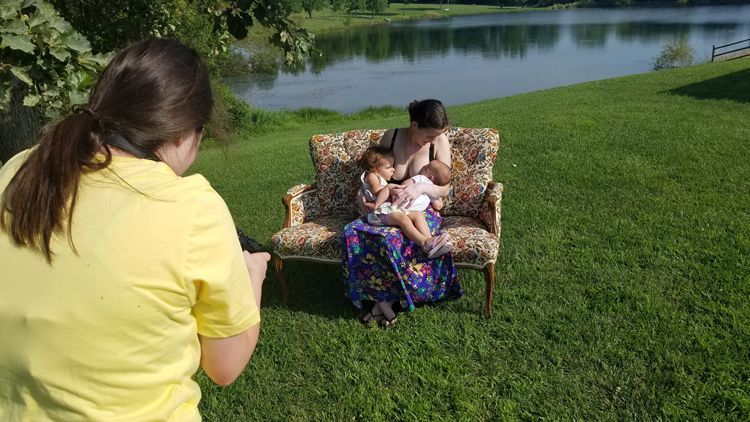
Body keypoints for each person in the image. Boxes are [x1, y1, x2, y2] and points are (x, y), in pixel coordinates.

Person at [0, 39, 269, 420]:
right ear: (184, 134)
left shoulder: (18, 170)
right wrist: (252, 277)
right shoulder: (192, 208)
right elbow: (224, 366)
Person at [343, 99, 462, 328]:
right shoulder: (393, 136)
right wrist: (364, 195)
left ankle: (383, 303)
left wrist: (421, 186)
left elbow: (445, 186)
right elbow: (375, 172)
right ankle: (379, 299)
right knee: (354, 232)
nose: (432, 140)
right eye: (428, 136)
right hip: (389, 207)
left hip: (419, 210)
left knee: (395, 237)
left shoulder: (439, 142)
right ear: (414, 125)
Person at [358, 146, 452, 259]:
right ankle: (424, 242)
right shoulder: (372, 176)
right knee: (402, 219)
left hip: (390, 209)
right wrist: (391, 188)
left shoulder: (380, 177)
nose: (393, 170)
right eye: (389, 167)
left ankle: (432, 241)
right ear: (374, 168)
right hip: (378, 213)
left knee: (418, 214)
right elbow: (377, 190)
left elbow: (438, 204)